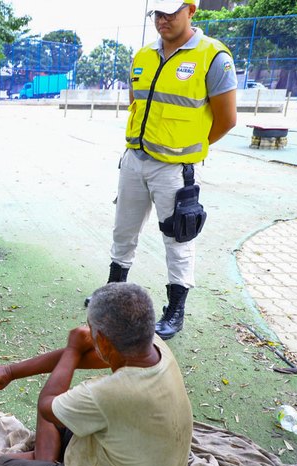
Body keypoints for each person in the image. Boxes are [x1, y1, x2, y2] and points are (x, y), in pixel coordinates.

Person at [0, 283, 193, 466]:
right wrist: (9, 372)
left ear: (104, 341)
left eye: (91, 331)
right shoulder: (152, 345)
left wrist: (74, 348)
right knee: (59, 401)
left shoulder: (108, 393)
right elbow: (81, 357)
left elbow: (47, 405)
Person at [96, 0, 237, 340]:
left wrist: (190, 149)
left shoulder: (213, 57)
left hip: (175, 170)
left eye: (171, 12)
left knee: (178, 239)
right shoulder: (143, 55)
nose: (163, 19)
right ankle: (112, 296)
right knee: (123, 230)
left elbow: (227, 119)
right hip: (135, 159)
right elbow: (136, 103)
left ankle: (175, 311)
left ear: (191, 10)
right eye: (158, 13)